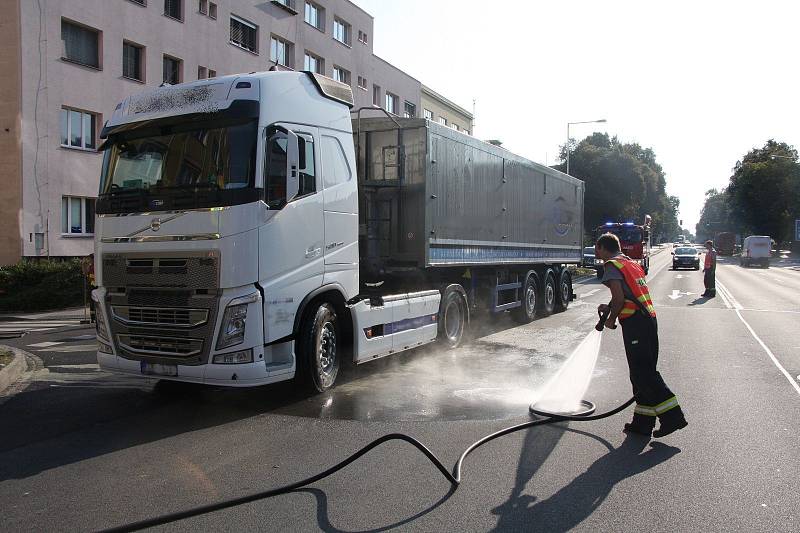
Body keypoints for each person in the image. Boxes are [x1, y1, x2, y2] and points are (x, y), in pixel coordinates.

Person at [595, 233, 687, 438]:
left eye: (597, 248)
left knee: (644, 373)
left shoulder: (612, 265)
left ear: (601, 247)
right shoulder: (629, 263)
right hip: (646, 320)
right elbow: (629, 295)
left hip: (636, 324)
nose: (596, 252)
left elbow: (619, 298)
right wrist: (609, 308)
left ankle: (673, 417)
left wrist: (610, 320)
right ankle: (643, 422)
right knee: (640, 373)